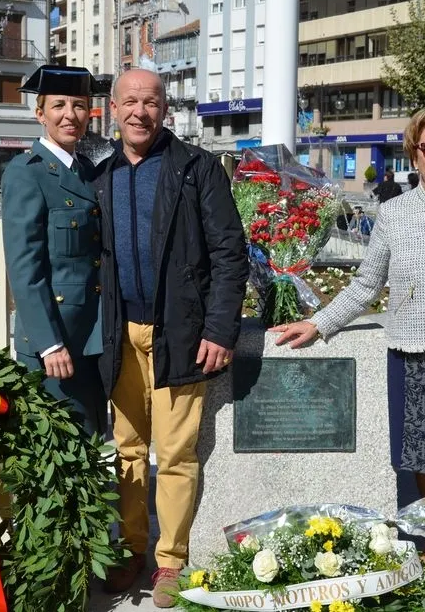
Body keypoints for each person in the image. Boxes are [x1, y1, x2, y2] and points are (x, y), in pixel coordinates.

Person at [273, 102, 425, 575]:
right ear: (414, 152)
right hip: (413, 349)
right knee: (421, 453)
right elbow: (366, 285)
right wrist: (319, 323)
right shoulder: (392, 212)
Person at [95, 68, 248, 607]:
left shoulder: (196, 168)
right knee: (127, 449)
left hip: (179, 333)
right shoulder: (102, 174)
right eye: (130, 102)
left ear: (165, 110)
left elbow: (230, 252)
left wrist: (219, 328)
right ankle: (130, 547)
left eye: (151, 102)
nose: (140, 112)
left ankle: (169, 561)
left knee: (177, 453)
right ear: (114, 109)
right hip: (119, 333)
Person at [0, 65, 109, 434]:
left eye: (79, 106)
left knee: (91, 442)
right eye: (59, 105)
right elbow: (24, 269)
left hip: (91, 337)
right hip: (55, 343)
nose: (70, 115)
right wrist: (48, 343)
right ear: (40, 114)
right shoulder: (26, 173)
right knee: (57, 448)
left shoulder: (88, 171)